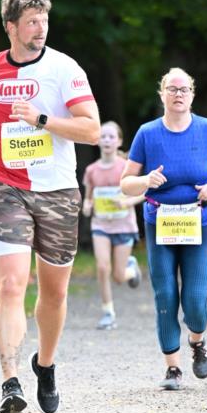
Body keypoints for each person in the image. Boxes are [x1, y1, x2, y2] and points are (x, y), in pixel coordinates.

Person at [0, 0, 100, 413]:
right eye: (32, 22)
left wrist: (42, 119)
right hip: (6, 187)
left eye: (44, 21)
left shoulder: (64, 68)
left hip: (58, 191)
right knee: (10, 285)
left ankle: (46, 364)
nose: (40, 29)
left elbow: (91, 129)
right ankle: (10, 381)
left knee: (54, 293)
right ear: (11, 27)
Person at [120, 68, 207, 390]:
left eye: (184, 89)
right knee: (165, 294)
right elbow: (126, 183)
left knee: (195, 298)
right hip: (160, 221)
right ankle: (173, 369)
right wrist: (146, 180)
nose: (178, 94)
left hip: (198, 221)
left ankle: (197, 342)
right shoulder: (147, 133)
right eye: (172, 89)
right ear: (162, 94)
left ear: (192, 95)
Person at [82, 121, 143, 329]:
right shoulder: (91, 170)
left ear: (119, 142)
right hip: (100, 224)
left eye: (111, 137)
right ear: (97, 140)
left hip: (124, 225)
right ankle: (108, 312)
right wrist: (87, 205)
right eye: (103, 136)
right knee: (102, 267)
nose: (107, 140)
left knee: (118, 276)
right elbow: (89, 196)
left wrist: (127, 202)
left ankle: (131, 270)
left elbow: (144, 192)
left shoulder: (126, 167)